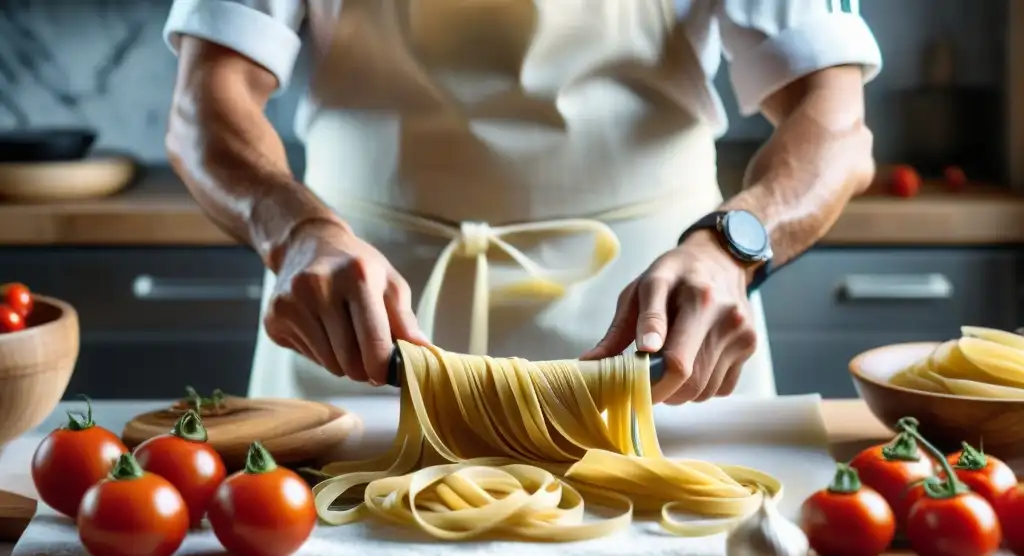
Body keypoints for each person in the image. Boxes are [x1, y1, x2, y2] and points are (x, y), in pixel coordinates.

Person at [163, 0, 881, 404]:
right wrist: (296, 233)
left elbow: (836, 124)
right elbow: (204, 104)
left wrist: (729, 253)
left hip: (658, 343)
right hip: (360, 329)